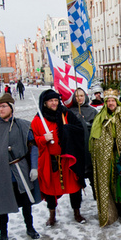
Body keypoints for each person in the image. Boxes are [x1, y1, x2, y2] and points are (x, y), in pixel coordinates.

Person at [0, 93, 42, 240]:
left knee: (26, 203)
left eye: (4, 106)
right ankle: (3, 234)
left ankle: (30, 228)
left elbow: (32, 146)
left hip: (21, 170)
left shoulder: (22, 125)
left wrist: (34, 166)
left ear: (11, 108)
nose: (0, 109)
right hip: (1, 173)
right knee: (3, 205)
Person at [31, 89, 88, 226]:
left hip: (67, 158)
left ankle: (77, 212)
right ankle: (52, 215)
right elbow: (32, 141)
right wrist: (43, 139)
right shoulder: (38, 119)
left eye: (56, 100)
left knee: (74, 187)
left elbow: (79, 128)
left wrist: (68, 130)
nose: (54, 103)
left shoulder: (65, 114)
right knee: (50, 189)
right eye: (51, 101)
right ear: (45, 103)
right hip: (50, 160)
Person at [89, 89, 121, 226]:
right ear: (105, 102)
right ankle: (110, 209)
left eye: (113, 100)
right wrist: (106, 145)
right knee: (109, 181)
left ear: (117, 102)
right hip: (106, 157)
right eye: (108, 101)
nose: (110, 103)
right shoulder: (100, 117)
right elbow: (95, 139)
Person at [69, 87, 97, 195]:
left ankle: (99, 203)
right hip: (76, 151)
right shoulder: (69, 112)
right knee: (75, 184)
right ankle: (76, 208)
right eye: (76, 96)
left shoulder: (92, 111)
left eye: (81, 95)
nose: (79, 98)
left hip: (90, 150)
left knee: (94, 179)